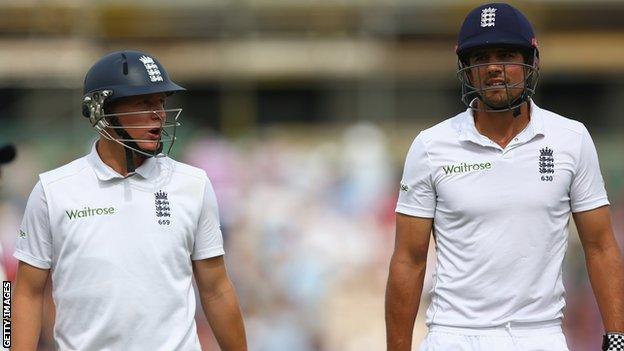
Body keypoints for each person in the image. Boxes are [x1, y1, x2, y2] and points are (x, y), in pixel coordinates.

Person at [385, 3, 624, 351]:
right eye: (480, 57)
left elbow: (601, 246)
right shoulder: (431, 146)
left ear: (532, 61)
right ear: (466, 68)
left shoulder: (571, 139)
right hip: (453, 335)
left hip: (539, 335)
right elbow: (408, 259)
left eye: (507, 54)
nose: (493, 67)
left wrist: (617, 340)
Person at [12, 50, 247, 350]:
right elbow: (24, 293)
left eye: (161, 102)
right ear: (101, 110)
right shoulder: (52, 190)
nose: (159, 114)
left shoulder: (193, 184)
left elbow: (216, 290)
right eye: (144, 103)